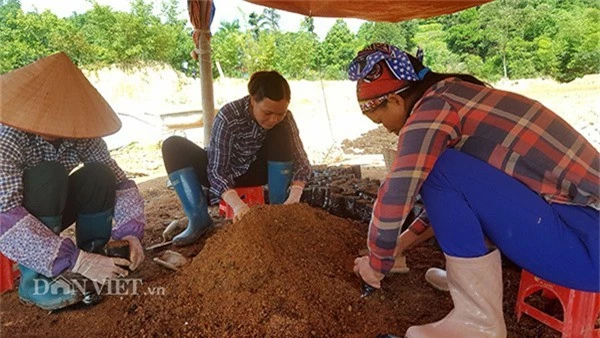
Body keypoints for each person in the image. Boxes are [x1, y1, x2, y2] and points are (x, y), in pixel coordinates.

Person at [349, 43, 599, 337]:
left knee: (439, 167)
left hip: (587, 244)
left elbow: (397, 191)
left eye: (379, 120)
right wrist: (399, 245)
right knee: (443, 171)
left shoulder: (432, 109)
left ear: (394, 100)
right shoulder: (456, 95)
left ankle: (478, 320)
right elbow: (458, 200)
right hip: (583, 229)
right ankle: (468, 284)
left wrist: (377, 263)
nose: (387, 129)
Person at [0, 52, 146, 311]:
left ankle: (96, 259)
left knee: (100, 175)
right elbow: (5, 216)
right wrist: (74, 259)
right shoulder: (8, 138)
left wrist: (131, 234)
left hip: (51, 212)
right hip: (13, 222)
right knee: (49, 175)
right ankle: (35, 281)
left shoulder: (80, 132)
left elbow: (121, 184)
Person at [162, 70, 311, 246]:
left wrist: (295, 194)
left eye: (281, 113)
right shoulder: (229, 116)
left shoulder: (283, 120)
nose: (274, 119)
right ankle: (199, 220)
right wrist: (237, 205)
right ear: (253, 99)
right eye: (268, 112)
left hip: (258, 171)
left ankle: (279, 213)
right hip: (226, 176)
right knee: (172, 146)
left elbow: (302, 162)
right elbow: (216, 172)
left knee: (281, 131)